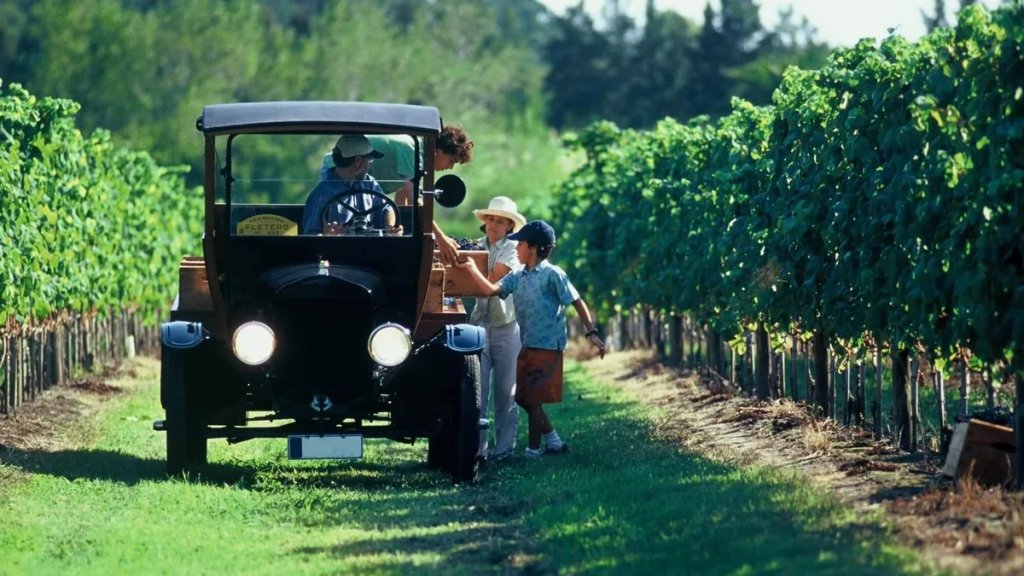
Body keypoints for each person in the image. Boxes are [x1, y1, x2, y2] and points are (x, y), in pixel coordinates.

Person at [457, 220, 606, 460]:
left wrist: (592, 332)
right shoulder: (518, 276)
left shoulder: (552, 275)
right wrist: (472, 270)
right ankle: (554, 441)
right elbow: (489, 291)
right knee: (524, 398)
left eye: (521, 244)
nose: (516, 248)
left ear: (534, 248)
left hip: (548, 346)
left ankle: (533, 451)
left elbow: (576, 301)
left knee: (531, 398)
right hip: (527, 345)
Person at [318, 126, 474, 261]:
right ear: (438, 151)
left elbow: (402, 199)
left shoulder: (417, 159)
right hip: (340, 170)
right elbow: (414, 199)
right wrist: (440, 238)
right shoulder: (412, 150)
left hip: (363, 185)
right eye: (451, 160)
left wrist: (398, 233)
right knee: (339, 227)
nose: (450, 168)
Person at [469, 196, 527, 462]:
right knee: (477, 391)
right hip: (480, 323)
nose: (493, 225)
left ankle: (503, 450)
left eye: (500, 221)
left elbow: (491, 282)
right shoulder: (476, 247)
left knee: (506, 390)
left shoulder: (512, 251)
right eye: (491, 219)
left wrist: (467, 269)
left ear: (509, 226)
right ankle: (476, 449)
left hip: (507, 325)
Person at [302, 134, 398, 235]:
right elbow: (310, 236)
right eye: (370, 159)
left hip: (371, 247)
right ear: (358, 161)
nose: (370, 164)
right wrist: (327, 236)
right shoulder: (321, 194)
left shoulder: (369, 183)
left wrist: (390, 228)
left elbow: (387, 207)